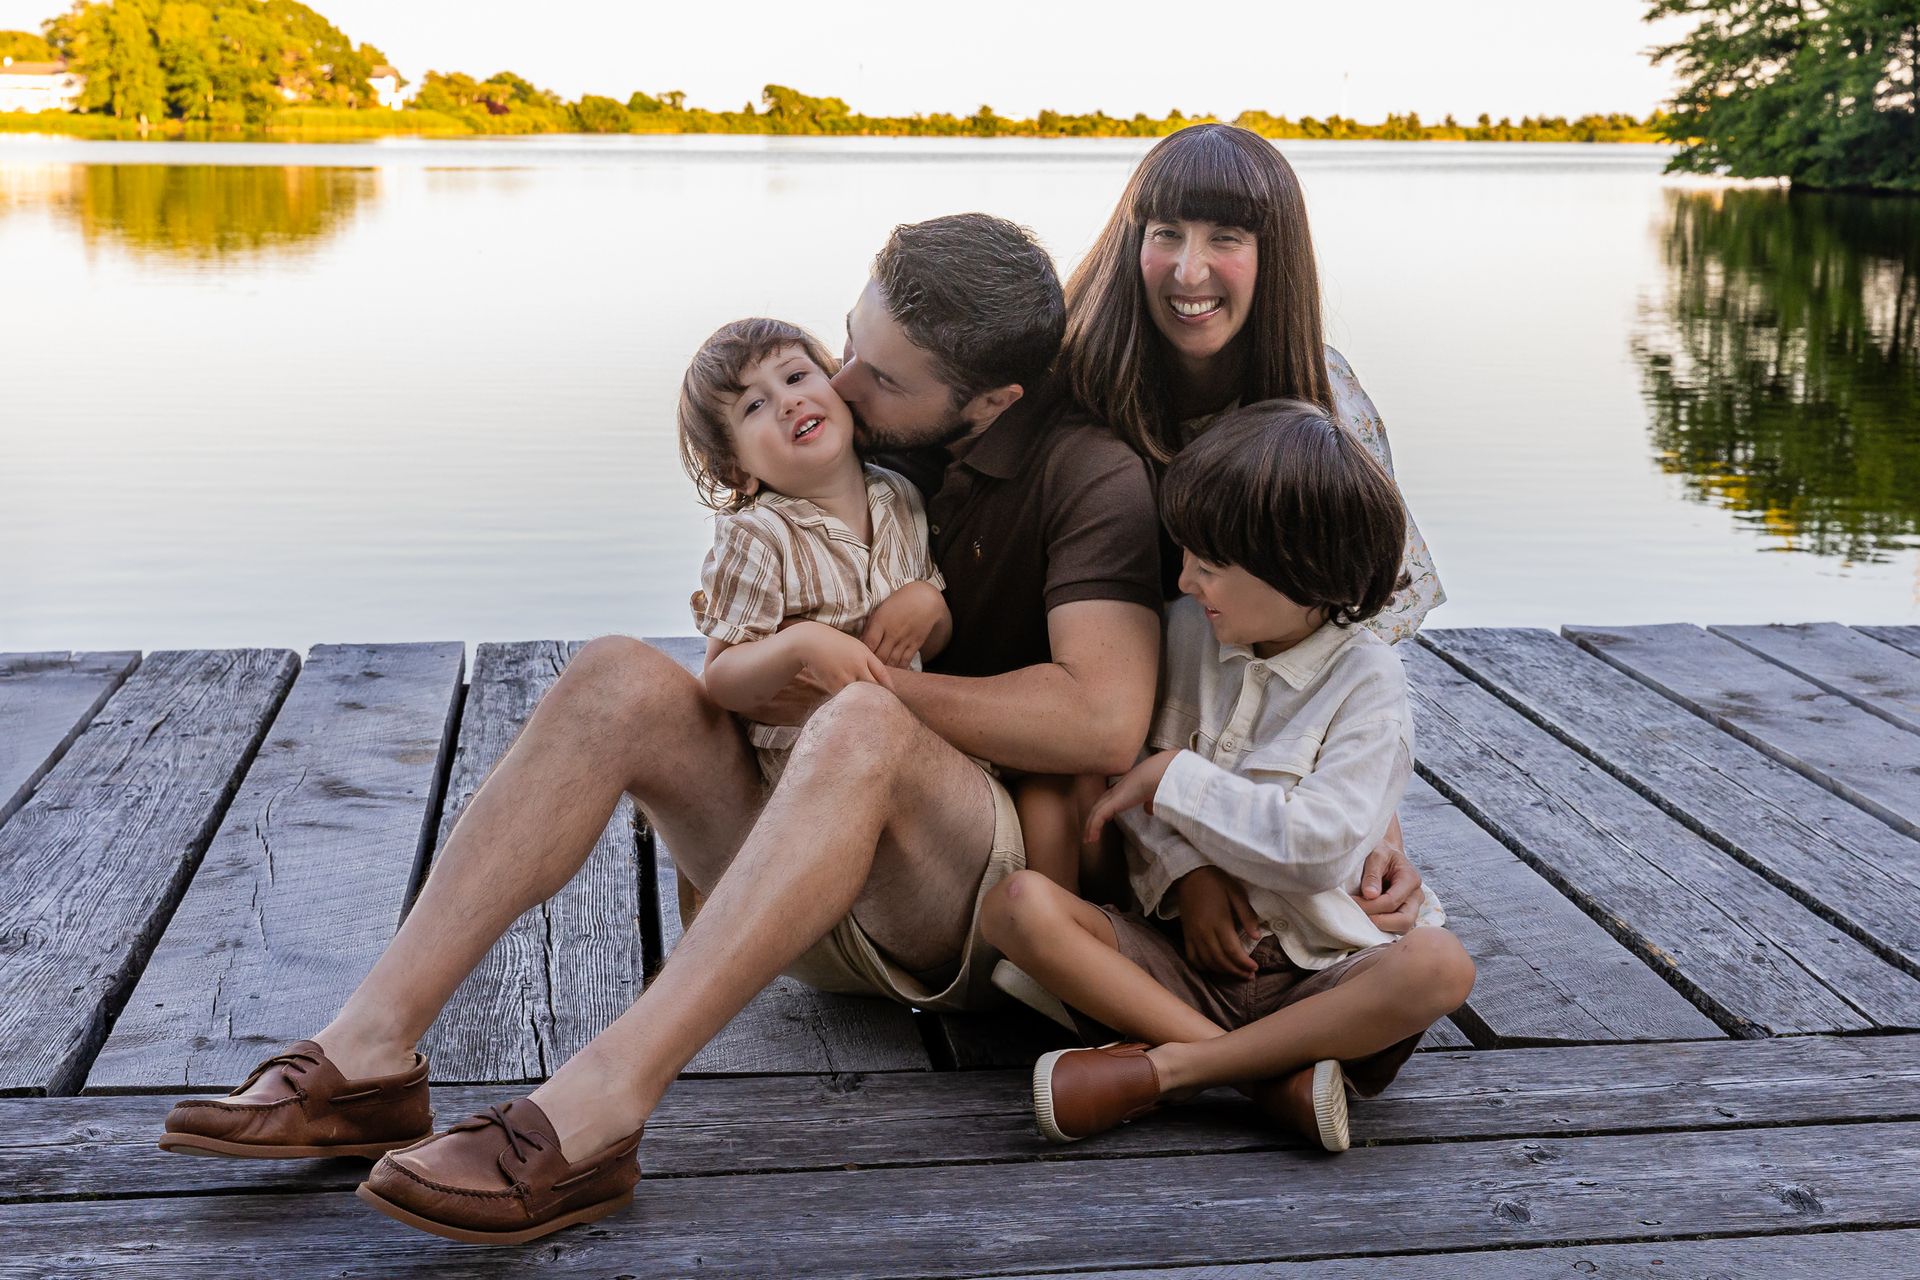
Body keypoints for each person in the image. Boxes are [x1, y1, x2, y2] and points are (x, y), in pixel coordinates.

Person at [155, 213, 1428, 1247]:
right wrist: (777, 663)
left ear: (985, 400)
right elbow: (744, 614)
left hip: (968, 903)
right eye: (848, 344)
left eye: (878, 373)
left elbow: (1100, 713)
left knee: (866, 724)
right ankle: (366, 1056)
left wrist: (844, 684)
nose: (840, 381)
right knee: (613, 673)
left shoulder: (1086, 474)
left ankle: (595, 1110)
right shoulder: (849, 441)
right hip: (802, 862)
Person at [981, 401, 1476, 1151]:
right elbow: (1127, 783)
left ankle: (1173, 1070)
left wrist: (1178, 778)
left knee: (1440, 965)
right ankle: (1272, 1082)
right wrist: (1187, 873)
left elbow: (1321, 848)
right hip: (1182, 961)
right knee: (1016, 905)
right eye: (1187, 557)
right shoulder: (1185, 631)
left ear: (1300, 572)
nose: (1184, 579)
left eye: (1209, 567)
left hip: (1320, 974)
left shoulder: (1369, 685)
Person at [678, 316, 949, 786]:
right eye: (755, 405)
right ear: (736, 470)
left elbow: (929, 646)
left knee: (1048, 797)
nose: (787, 402)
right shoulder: (759, 535)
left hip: (912, 741)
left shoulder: (900, 496)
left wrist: (929, 603)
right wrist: (800, 645)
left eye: (796, 376)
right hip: (809, 776)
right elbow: (721, 679)